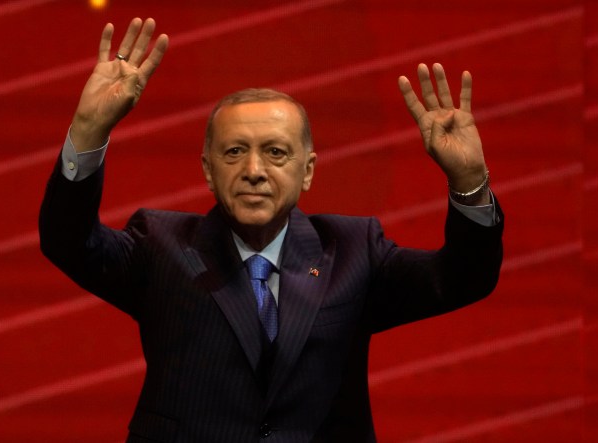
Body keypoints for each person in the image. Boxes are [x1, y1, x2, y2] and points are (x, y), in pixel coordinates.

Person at [39, 17, 503, 443]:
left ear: (308, 171)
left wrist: (467, 182)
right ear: (207, 169)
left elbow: (463, 277)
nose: (255, 170)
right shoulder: (161, 246)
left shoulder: (354, 251)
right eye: (235, 151)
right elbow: (69, 241)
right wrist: (88, 131)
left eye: (276, 153)